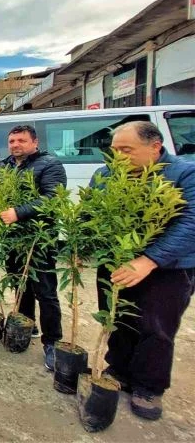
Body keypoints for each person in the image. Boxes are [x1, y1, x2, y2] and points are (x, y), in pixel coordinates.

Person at [92, 121, 195, 421]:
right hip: (116, 261)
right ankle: (119, 369)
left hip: (167, 267)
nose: (118, 157)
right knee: (118, 317)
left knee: (157, 327)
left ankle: (149, 386)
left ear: (155, 148)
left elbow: (190, 223)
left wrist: (150, 259)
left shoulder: (184, 175)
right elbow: (92, 213)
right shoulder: (106, 175)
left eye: (126, 150)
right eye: (114, 150)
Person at [0, 125, 66, 370]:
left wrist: (19, 212)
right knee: (19, 285)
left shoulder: (49, 164)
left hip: (39, 238)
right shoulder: (6, 166)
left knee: (45, 292)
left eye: (21, 140)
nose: (16, 145)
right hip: (14, 239)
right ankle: (27, 326)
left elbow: (53, 197)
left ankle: (52, 342)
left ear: (34, 142)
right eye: (12, 141)